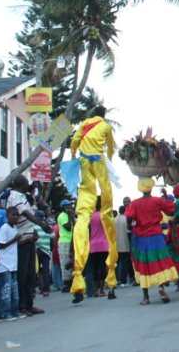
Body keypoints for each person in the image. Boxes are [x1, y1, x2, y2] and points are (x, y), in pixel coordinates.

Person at [67, 106, 118, 304]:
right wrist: (110, 163)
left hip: (84, 164)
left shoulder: (85, 123)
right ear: (104, 116)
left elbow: (74, 141)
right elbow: (111, 147)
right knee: (106, 205)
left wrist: (73, 156)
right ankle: (111, 280)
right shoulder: (105, 125)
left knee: (83, 209)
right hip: (98, 163)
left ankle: (77, 276)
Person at [125, 178, 178, 305]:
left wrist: (132, 226)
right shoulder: (157, 201)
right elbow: (171, 209)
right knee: (160, 262)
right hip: (156, 237)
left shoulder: (135, 203)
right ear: (151, 187)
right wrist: (165, 196)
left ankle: (146, 297)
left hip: (141, 238)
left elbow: (129, 219)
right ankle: (161, 287)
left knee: (144, 265)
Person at [6, 175, 51, 315]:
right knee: (23, 275)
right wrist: (42, 224)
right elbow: (26, 214)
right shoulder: (14, 197)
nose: (28, 185)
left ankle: (29, 304)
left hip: (30, 238)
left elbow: (32, 209)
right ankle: (22, 305)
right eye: (27, 183)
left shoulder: (22, 196)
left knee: (31, 274)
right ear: (22, 184)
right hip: (22, 241)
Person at [0, 207, 23, 322]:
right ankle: (4, 313)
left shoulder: (14, 228)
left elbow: (14, 243)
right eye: (13, 215)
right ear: (7, 216)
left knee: (13, 290)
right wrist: (15, 239)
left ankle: (14, 311)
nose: (15, 217)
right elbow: (1, 245)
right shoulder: (4, 228)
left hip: (12, 263)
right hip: (4, 264)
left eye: (17, 215)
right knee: (5, 290)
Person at [87, 199, 110, 299]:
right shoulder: (104, 216)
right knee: (102, 267)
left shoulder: (90, 216)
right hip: (104, 245)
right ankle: (102, 290)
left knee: (95, 268)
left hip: (93, 245)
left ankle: (95, 291)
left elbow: (88, 230)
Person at [56, 200, 74, 291]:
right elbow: (67, 227)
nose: (70, 207)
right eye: (67, 206)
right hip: (64, 241)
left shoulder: (69, 215)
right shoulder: (62, 216)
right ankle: (66, 283)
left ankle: (72, 281)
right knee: (65, 262)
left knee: (71, 262)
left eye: (70, 206)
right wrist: (70, 216)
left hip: (71, 240)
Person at [35, 210, 53, 298]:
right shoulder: (47, 226)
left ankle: (40, 288)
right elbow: (52, 236)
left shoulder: (35, 226)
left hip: (38, 250)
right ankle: (46, 290)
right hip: (46, 251)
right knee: (46, 270)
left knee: (37, 270)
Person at [114, 205, 133, 287]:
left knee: (117, 263)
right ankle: (123, 280)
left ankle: (117, 279)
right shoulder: (126, 219)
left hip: (116, 245)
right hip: (125, 244)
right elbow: (129, 232)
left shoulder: (114, 219)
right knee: (125, 263)